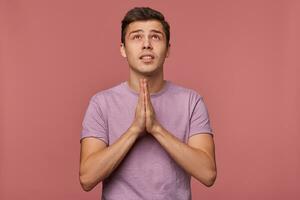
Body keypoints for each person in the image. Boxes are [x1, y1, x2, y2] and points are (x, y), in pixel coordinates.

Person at [79, 7, 217, 200]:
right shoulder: (101, 103)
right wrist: (134, 130)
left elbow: (208, 173)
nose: (146, 44)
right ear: (122, 49)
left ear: (168, 49)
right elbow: (87, 178)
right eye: (136, 37)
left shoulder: (191, 101)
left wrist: (156, 128)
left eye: (155, 37)